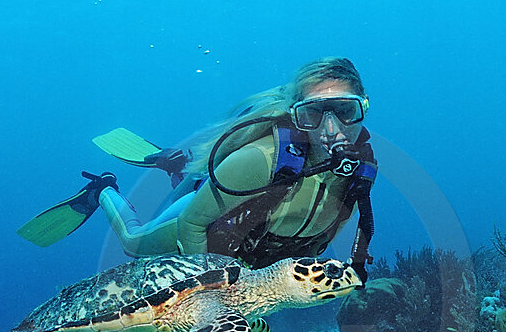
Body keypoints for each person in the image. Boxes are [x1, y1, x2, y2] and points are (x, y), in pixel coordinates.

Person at [19, 57, 377, 281]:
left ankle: (174, 162)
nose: (332, 131)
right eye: (313, 114)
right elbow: (192, 223)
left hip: (243, 231)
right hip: (203, 215)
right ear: (296, 115)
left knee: (205, 186)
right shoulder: (261, 160)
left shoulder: (360, 168)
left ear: (363, 108)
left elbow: (343, 221)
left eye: (345, 111)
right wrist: (209, 291)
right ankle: (103, 190)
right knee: (132, 243)